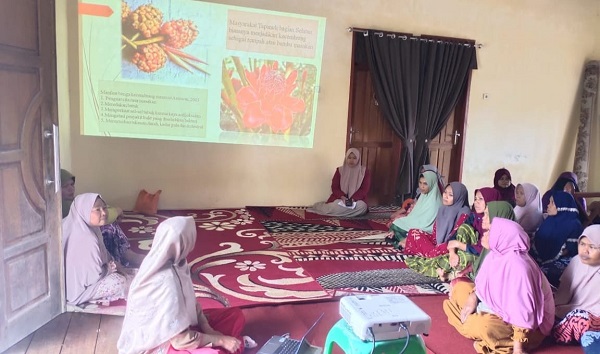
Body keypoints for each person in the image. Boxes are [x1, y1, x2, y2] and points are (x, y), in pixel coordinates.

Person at [118, 216, 252, 354]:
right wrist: (220, 340)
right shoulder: (164, 282)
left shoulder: (178, 263)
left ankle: (231, 345)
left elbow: (192, 303)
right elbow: (179, 340)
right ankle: (233, 344)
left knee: (235, 315)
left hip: (184, 329)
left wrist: (208, 328)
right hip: (162, 344)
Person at [443, 218, 555, 354]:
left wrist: (518, 349)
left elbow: (523, 312)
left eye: (490, 231)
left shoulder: (519, 267)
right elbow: (483, 286)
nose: (484, 233)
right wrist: (473, 297)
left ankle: (493, 338)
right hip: (498, 310)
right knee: (460, 288)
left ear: (502, 237)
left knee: (483, 326)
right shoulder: (496, 255)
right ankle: (481, 330)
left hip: (528, 328)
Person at [404, 187, 501, 280]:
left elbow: (484, 250)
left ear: (491, 202)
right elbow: (454, 236)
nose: (476, 202)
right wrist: (452, 253)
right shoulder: (473, 216)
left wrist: (458, 246)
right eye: (475, 199)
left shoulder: (494, 222)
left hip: (476, 254)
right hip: (459, 247)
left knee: (460, 258)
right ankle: (447, 269)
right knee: (462, 232)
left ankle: (446, 272)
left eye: (481, 199)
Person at [61, 168, 144, 267]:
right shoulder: (62, 205)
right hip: (79, 252)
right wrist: (116, 212)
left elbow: (103, 211)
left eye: (72, 184)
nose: (71, 189)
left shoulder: (73, 201)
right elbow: (105, 215)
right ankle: (127, 256)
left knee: (104, 220)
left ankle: (124, 256)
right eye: (65, 186)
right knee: (107, 226)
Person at [62, 193, 129, 305]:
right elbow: (93, 278)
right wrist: (110, 268)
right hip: (78, 291)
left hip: (68, 285)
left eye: (104, 208)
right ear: (84, 211)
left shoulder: (79, 225)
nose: (103, 213)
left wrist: (112, 263)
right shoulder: (86, 238)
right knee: (120, 282)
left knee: (124, 273)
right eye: (97, 210)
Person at [552, 225, 600, 353]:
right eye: (582, 244)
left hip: (594, 317)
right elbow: (563, 294)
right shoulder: (575, 262)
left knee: (579, 319)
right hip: (572, 310)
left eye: (592, 246)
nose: (585, 250)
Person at [401, 182, 470, 257]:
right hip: (437, 243)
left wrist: (442, 245)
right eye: (445, 192)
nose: (445, 196)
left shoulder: (464, 213)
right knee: (413, 232)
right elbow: (435, 234)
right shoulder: (443, 209)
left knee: (434, 250)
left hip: (451, 246)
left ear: (459, 197)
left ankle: (430, 253)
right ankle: (430, 252)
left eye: (450, 195)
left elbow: (456, 236)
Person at [385, 171, 443, 248]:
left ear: (432, 184)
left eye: (425, 184)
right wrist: (407, 221)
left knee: (402, 229)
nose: (422, 186)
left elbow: (427, 223)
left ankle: (404, 242)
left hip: (425, 229)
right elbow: (415, 215)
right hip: (416, 224)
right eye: (420, 183)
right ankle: (402, 240)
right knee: (396, 223)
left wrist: (411, 224)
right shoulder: (423, 196)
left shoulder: (436, 201)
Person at [308, 148, 371, 217]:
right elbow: (335, 187)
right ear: (346, 158)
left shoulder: (364, 172)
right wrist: (343, 197)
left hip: (357, 201)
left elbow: (364, 189)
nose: (351, 160)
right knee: (335, 206)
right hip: (340, 199)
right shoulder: (340, 170)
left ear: (358, 159)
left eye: (354, 158)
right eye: (349, 158)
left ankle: (337, 213)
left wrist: (353, 199)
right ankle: (320, 206)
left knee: (362, 207)